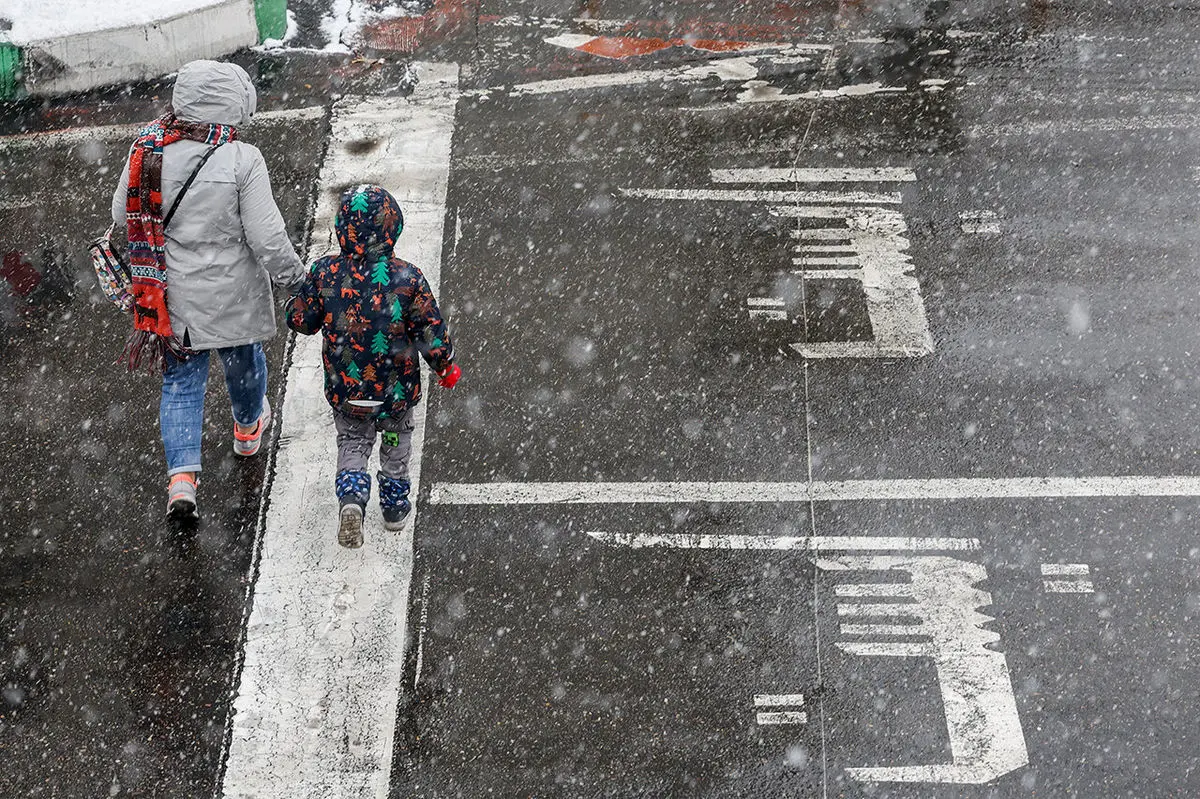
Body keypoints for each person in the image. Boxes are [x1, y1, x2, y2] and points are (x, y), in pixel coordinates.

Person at [110, 60, 305, 519]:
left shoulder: (148, 149)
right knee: (244, 364)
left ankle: (182, 481)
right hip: (234, 296)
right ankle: (246, 431)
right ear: (232, 105)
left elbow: (123, 214)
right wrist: (296, 280)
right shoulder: (242, 158)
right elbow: (267, 237)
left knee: (180, 383)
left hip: (172, 299)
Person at [286, 185, 460, 548]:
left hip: (347, 391)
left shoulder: (325, 272)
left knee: (352, 442)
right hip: (394, 396)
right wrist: (445, 366)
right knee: (396, 444)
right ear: (393, 227)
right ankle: (394, 508)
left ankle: (351, 499)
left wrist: (294, 306)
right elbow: (430, 332)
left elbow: (303, 320)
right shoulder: (408, 278)